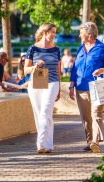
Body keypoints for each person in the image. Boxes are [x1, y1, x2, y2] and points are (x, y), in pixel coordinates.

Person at [69, 22, 104, 153]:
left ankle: (95, 142)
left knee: (96, 114)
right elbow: (74, 68)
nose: (79, 35)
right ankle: (89, 141)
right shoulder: (80, 48)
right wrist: (71, 85)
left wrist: (103, 70)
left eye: (81, 32)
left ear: (89, 34)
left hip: (97, 87)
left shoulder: (102, 48)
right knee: (86, 117)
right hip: (80, 87)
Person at [24, 22, 61, 154]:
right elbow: (25, 70)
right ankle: (48, 145)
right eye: (53, 32)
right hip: (36, 82)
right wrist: (35, 67)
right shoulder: (33, 49)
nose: (54, 35)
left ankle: (40, 144)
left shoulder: (56, 49)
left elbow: (58, 71)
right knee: (40, 114)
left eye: (55, 33)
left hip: (52, 82)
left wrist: (59, 89)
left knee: (45, 112)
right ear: (45, 33)